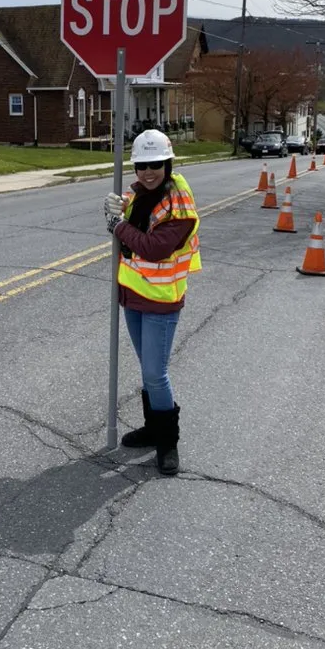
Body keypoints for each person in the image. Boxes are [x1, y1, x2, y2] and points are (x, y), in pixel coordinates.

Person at [103, 130, 201, 475]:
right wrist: (117, 206)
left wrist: (116, 225)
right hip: (134, 296)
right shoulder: (142, 192)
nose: (147, 172)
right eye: (141, 165)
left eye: (155, 165)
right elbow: (131, 210)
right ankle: (151, 428)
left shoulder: (180, 203)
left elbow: (155, 248)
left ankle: (167, 442)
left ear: (168, 163)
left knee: (155, 374)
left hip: (162, 299)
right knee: (148, 370)